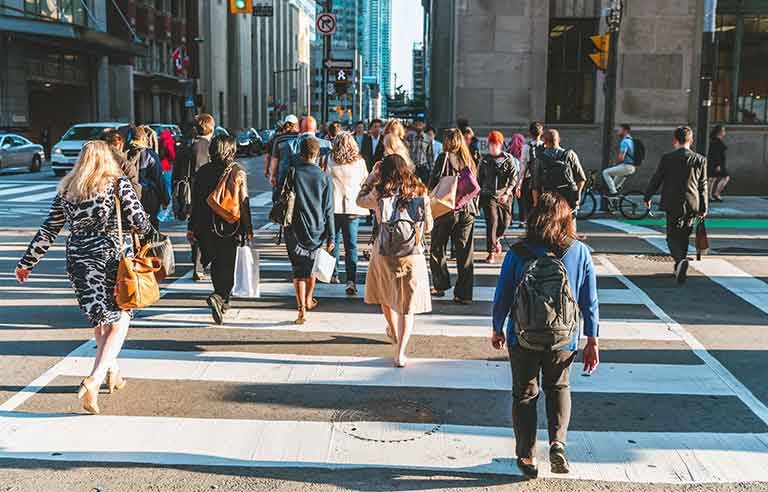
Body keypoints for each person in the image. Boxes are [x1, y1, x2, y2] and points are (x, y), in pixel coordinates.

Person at [15, 141, 152, 414]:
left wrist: (27, 263)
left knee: (101, 320)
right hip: (113, 260)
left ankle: (113, 371)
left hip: (79, 261)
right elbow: (140, 223)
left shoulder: (68, 189)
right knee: (121, 318)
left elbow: (49, 230)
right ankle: (95, 377)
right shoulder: (117, 184)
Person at [492, 192, 600, 478]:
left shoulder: (518, 253)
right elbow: (590, 301)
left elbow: (502, 293)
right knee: (559, 388)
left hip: (522, 335)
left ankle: (527, 456)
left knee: (525, 395)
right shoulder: (579, 251)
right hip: (564, 337)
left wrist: (497, 327)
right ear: (567, 219)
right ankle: (557, 444)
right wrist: (592, 339)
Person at [357, 154, 433, 368]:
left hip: (384, 253)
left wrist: (371, 177)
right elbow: (428, 226)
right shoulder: (420, 191)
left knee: (386, 294)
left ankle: (391, 329)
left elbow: (359, 201)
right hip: (412, 254)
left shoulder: (381, 192)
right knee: (407, 306)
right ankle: (400, 353)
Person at [188, 135, 254, 324]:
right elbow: (243, 202)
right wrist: (248, 228)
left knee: (216, 263)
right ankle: (220, 297)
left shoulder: (202, 172)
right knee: (228, 263)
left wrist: (191, 227)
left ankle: (221, 298)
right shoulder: (237, 171)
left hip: (205, 225)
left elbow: (196, 203)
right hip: (230, 225)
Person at [644, 126, 708, 285]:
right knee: (685, 234)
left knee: (672, 235)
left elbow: (657, 178)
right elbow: (703, 185)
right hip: (693, 202)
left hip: (672, 201)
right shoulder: (700, 159)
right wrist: (704, 206)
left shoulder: (667, 158)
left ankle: (680, 261)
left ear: (675, 141)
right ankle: (679, 264)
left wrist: (648, 195)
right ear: (691, 141)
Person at [285, 137, 335, 324]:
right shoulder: (324, 177)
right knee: (312, 268)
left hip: (294, 227)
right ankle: (309, 298)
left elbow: (281, 198)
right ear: (317, 154)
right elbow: (329, 210)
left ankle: (301, 310)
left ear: (300, 152)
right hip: (317, 228)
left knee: (298, 269)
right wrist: (331, 236)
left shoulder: (293, 173)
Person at [428, 128, 479, 304]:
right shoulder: (469, 160)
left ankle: (440, 284)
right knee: (465, 253)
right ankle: (464, 294)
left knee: (437, 247)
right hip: (466, 210)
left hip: (445, 208)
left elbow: (433, 182)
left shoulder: (443, 158)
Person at [174, 113, 216, 281]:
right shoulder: (208, 146)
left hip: (187, 192)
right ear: (211, 128)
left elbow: (177, 172)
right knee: (204, 227)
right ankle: (200, 265)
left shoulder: (186, 145)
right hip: (203, 193)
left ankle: (197, 263)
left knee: (194, 226)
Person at [325, 132, 369, 293]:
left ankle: (334, 274)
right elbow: (365, 182)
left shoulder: (329, 160)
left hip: (333, 207)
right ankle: (351, 280)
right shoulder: (360, 162)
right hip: (353, 207)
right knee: (351, 245)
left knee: (333, 242)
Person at [479, 131, 520, 263]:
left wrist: (507, 192)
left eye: (495, 144)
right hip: (488, 195)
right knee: (492, 222)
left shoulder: (509, 160)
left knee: (505, 222)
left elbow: (513, 178)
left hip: (505, 195)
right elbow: (479, 178)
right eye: (491, 144)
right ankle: (491, 252)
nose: (492, 146)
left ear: (500, 144)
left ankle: (497, 238)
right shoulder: (485, 160)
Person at [270, 116, 332, 189]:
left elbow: (284, 167)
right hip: (320, 185)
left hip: (297, 186)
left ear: (301, 129)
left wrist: (280, 184)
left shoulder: (289, 144)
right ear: (315, 129)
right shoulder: (327, 145)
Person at [532, 129, 586, 210]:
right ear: (559, 140)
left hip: (549, 199)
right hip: (568, 199)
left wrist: (536, 204)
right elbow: (582, 179)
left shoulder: (540, 159)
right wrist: (577, 196)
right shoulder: (570, 155)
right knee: (569, 221)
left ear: (545, 141)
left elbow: (535, 186)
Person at [127, 126, 168, 231]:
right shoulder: (150, 154)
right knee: (152, 227)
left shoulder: (124, 153)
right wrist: (165, 199)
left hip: (128, 197)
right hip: (148, 196)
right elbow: (159, 178)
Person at [518, 122, 544, 227]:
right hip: (542, 181)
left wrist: (519, 183)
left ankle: (530, 224)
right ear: (541, 132)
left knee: (529, 204)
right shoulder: (545, 146)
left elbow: (523, 166)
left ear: (530, 133)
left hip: (530, 180)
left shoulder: (526, 147)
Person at [103, 129, 140, 196]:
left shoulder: (94, 158)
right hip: (119, 201)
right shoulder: (126, 164)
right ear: (121, 144)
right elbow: (135, 190)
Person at [603, 124, 637, 196]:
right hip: (632, 167)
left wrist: (615, 163)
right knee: (614, 186)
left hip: (626, 167)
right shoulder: (631, 140)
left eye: (620, 129)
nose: (618, 131)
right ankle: (615, 203)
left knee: (605, 172)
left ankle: (614, 194)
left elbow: (621, 157)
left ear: (625, 131)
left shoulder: (624, 142)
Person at [267, 115, 300, 187]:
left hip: (282, 173)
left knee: (278, 194)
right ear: (297, 125)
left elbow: (274, 159)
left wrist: (272, 175)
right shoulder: (299, 138)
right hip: (298, 174)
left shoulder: (279, 139)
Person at [406, 117, 434, 184]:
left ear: (424, 125)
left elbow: (430, 155)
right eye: (417, 124)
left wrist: (431, 169)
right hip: (412, 167)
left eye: (421, 124)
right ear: (414, 125)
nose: (419, 126)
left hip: (423, 167)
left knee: (424, 185)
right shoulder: (409, 137)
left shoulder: (428, 138)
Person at [158, 129, 176, 221]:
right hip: (167, 166)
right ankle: (166, 214)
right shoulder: (169, 142)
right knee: (168, 189)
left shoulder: (160, 141)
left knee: (162, 188)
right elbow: (172, 155)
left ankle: (162, 211)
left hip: (160, 166)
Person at [708, 125, 729, 202]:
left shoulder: (716, 140)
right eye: (723, 131)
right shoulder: (716, 141)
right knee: (714, 178)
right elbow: (715, 154)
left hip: (717, 163)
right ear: (719, 132)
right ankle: (714, 195)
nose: (724, 132)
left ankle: (713, 195)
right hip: (716, 163)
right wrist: (717, 165)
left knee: (713, 178)